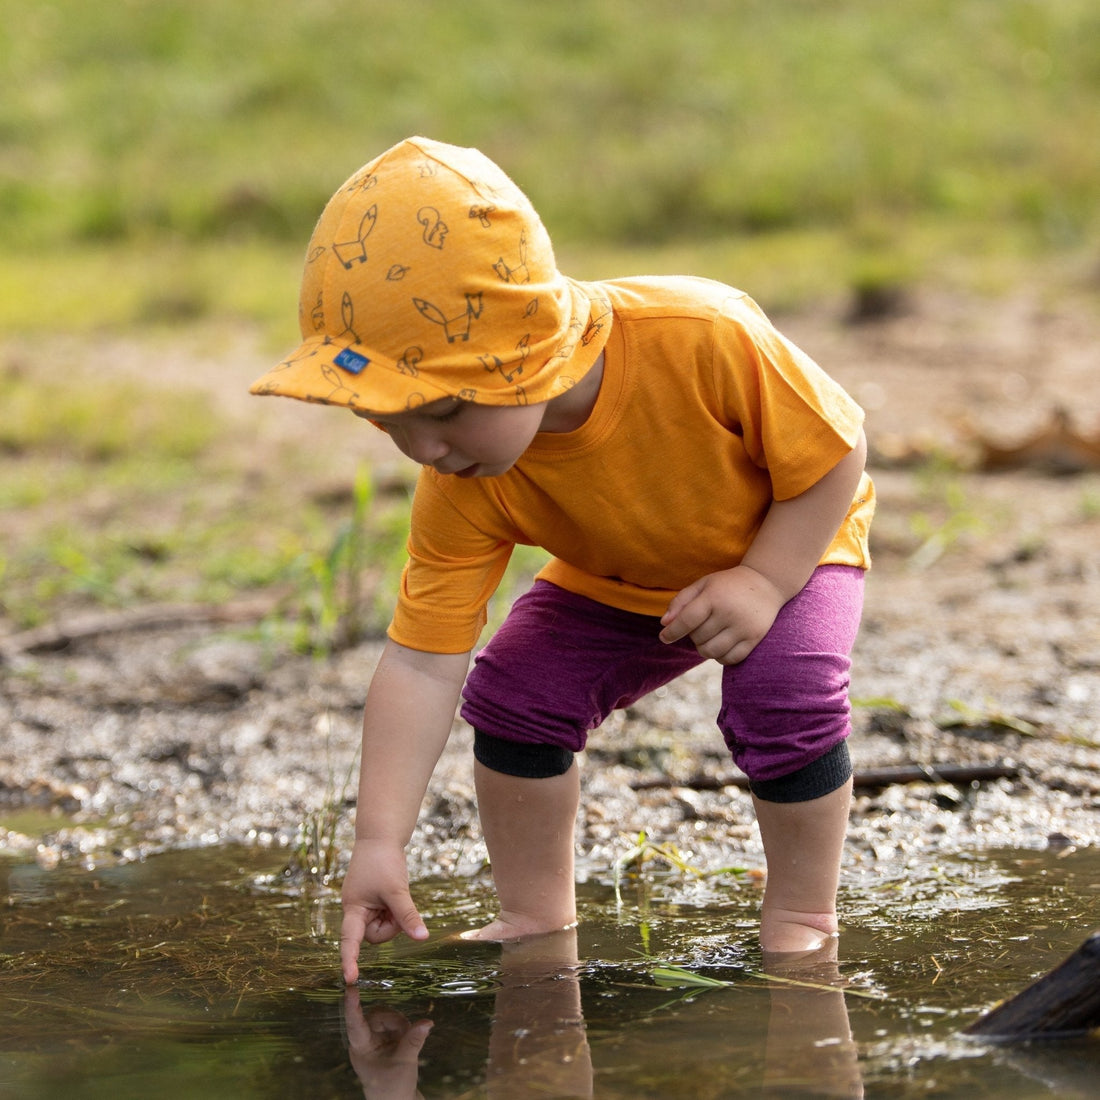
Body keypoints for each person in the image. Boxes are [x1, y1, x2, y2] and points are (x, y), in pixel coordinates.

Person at [249, 136, 875, 986]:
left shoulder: (701, 334)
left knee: (783, 690)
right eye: (386, 422)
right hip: (614, 578)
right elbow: (423, 662)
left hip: (788, 542)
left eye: (438, 410)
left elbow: (836, 451)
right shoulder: (461, 478)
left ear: (528, 346)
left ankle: (802, 915)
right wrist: (377, 842)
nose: (422, 449)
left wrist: (765, 580)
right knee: (515, 692)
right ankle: (536, 916)